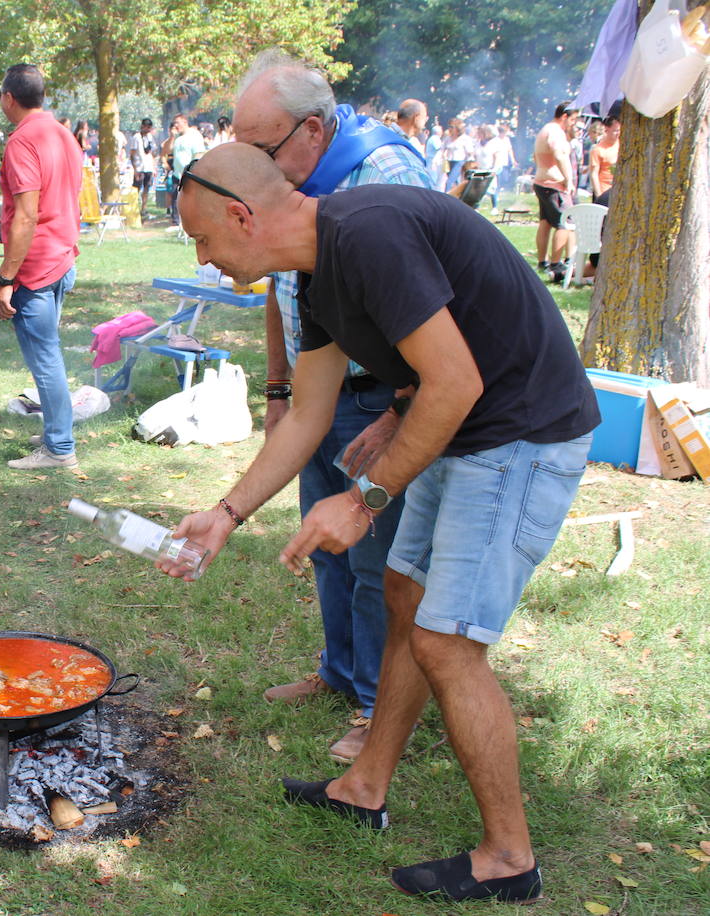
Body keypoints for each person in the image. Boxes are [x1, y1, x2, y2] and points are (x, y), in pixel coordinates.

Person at [172, 142, 598, 904]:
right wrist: (227, 513)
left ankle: (509, 857)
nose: (204, 259)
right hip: (468, 428)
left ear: (242, 215)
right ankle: (365, 787)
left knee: (447, 641)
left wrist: (364, 497)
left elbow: (458, 380)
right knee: (403, 595)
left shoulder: (368, 232)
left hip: (521, 433)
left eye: (202, 238)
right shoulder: (315, 271)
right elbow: (309, 413)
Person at [232, 49, 429, 764]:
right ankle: (341, 671)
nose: (250, 166)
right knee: (326, 548)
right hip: (320, 389)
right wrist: (278, 391)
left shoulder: (384, 176)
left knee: (376, 557)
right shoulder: (290, 187)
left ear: (313, 131)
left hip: (384, 397)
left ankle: (382, 705)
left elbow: (431, 336)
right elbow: (283, 298)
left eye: (261, 148)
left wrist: (395, 416)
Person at [0, 64, 83, 471]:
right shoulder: (63, 134)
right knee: (49, 357)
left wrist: (6, 278)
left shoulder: (21, 142)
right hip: (62, 257)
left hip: (38, 266)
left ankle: (59, 448)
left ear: (9, 98)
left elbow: (27, 215)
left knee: (45, 360)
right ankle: (55, 431)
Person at [533, 102, 579, 281]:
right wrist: (568, 180)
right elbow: (559, 154)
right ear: (565, 116)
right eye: (573, 119)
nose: (573, 123)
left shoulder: (545, 129)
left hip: (542, 182)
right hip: (553, 184)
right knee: (564, 223)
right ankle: (555, 263)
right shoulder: (555, 132)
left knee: (545, 222)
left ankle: (542, 261)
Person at [168, 113, 205, 226]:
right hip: (176, 174)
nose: (175, 126)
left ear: (185, 122)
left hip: (189, 174)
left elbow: (198, 154)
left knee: (189, 200)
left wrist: (192, 172)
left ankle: (191, 222)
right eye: (174, 124)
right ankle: (176, 222)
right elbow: (169, 151)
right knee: (175, 199)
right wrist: (172, 137)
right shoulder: (177, 137)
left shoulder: (194, 135)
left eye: (177, 123)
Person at [129, 118, 159, 219]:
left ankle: (144, 209)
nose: (148, 130)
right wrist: (135, 169)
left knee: (146, 189)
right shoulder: (136, 137)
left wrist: (154, 167)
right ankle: (134, 209)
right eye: (147, 128)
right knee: (136, 189)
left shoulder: (150, 137)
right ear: (142, 126)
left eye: (150, 128)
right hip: (139, 167)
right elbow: (132, 154)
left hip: (148, 167)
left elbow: (154, 152)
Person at [590, 108, 620, 208]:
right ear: (607, 130)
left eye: (619, 130)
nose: (618, 133)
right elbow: (594, 174)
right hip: (604, 191)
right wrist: (599, 195)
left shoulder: (622, 146)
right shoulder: (598, 149)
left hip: (618, 191)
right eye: (615, 131)